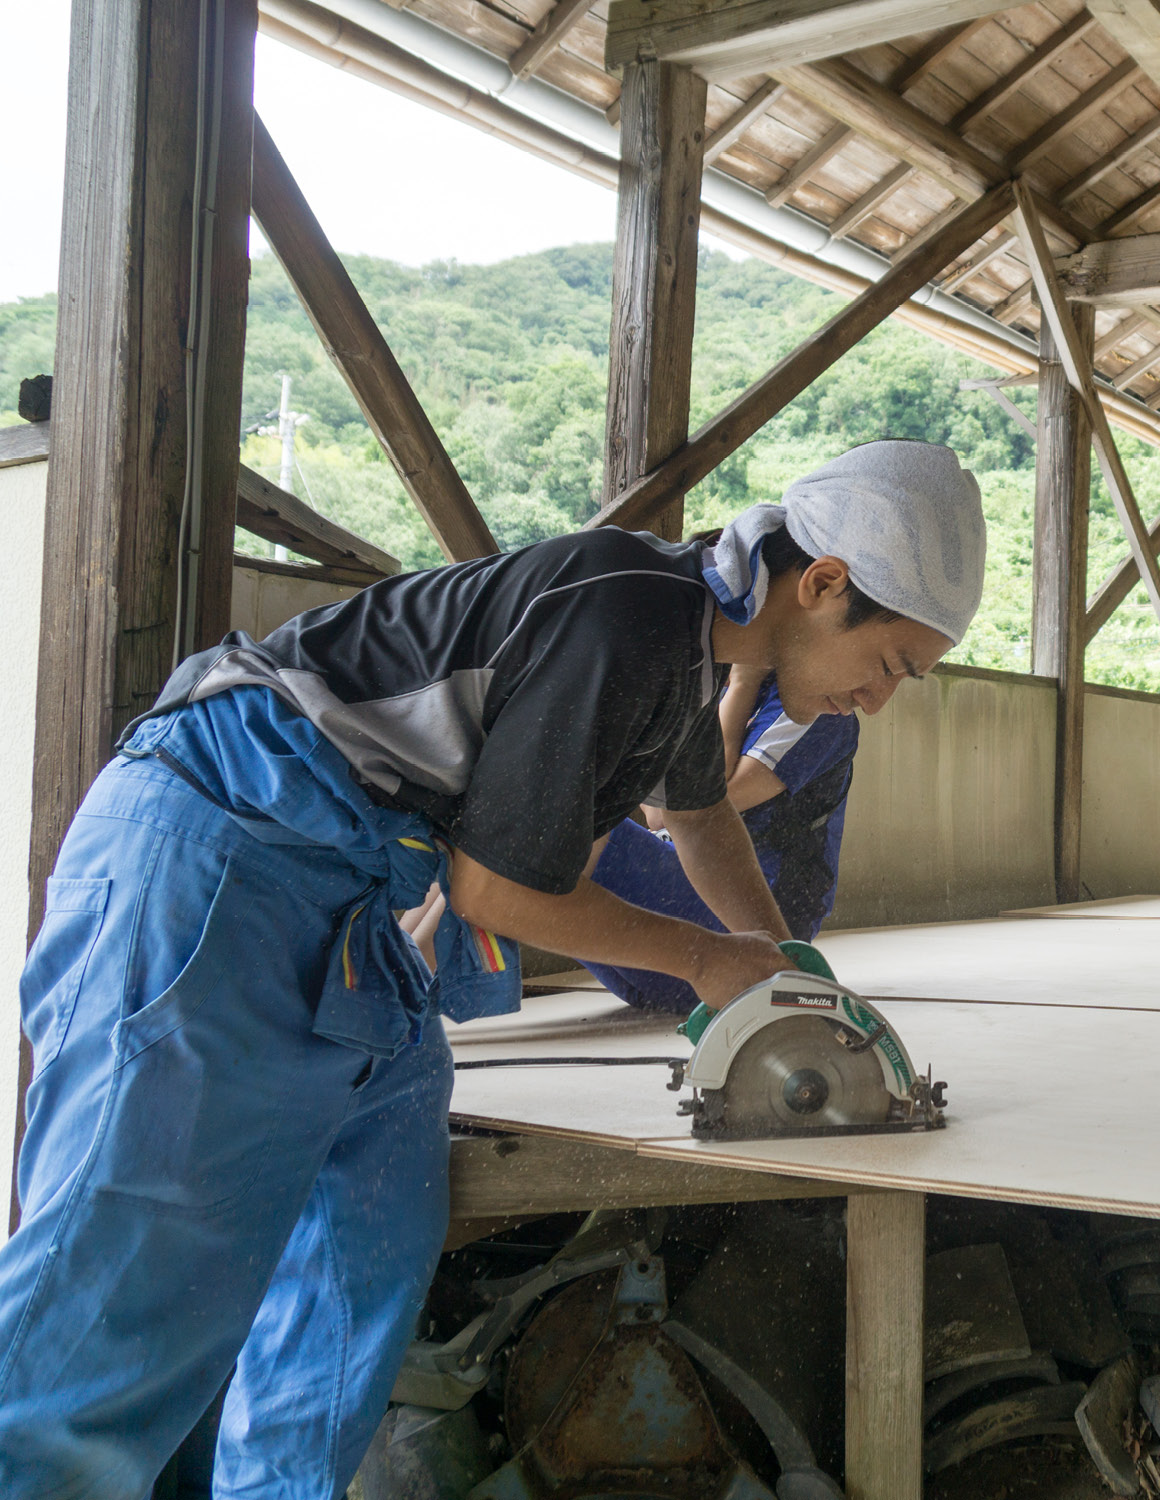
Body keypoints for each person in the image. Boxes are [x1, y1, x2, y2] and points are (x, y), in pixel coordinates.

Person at [0, 439, 985, 1498]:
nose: (878, 701)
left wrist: (792, 977)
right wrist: (705, 961)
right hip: (215, 845)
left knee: (369, 1231)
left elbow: (698, 819)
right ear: (822, 584)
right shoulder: (623, 611)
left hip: (342, 881)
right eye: (888, 666)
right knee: (124, 1277)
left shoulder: (685, 646)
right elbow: (492, 893)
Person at [585, 654, 861, 1013]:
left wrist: (743, 686)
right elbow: (656, 812)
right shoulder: (714, 688)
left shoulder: (821, 708)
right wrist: (736, 688)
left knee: (559, 818)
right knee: (552, 817)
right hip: (665, 965)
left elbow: (698, 806)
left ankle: (489, 979)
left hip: (745, 941)